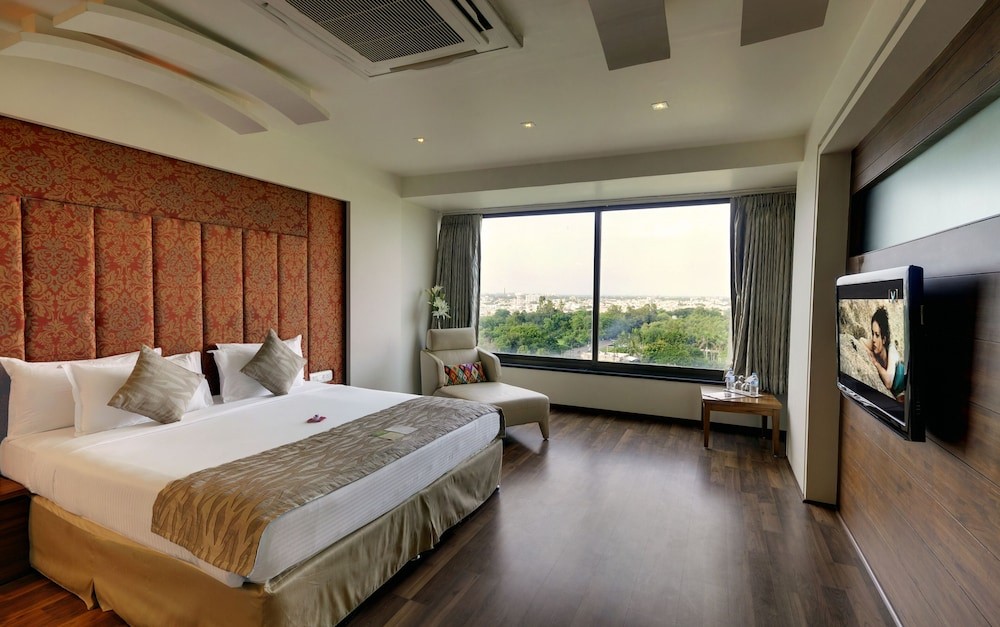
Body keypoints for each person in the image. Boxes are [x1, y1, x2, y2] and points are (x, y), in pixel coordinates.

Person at [865, 306, 905, 398]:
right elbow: (861, 341)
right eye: (872, 333)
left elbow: (888, 383)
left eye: (877, 335)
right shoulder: (875, 344)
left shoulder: (892, 350)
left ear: (884, 339)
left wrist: (875, 363)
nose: (873, 339)